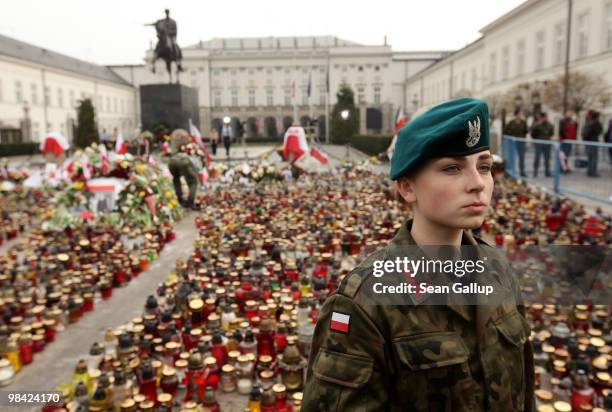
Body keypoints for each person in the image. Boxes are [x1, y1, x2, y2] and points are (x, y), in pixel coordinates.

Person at [302, 98, 534, 411]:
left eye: (484, 166)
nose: (478, 183)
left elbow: (525, 395)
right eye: (452, 168)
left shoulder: (500, 272)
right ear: (408, 187)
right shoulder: (364, 304)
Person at [168, 138, 200, 211]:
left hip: (171, 162)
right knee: (193, 182)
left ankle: (180, 199)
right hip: (183, 162)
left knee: (176, 179)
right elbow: (193, 169)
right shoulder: (189, 156)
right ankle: (190, 202)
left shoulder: (177, 151)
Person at [505, 109, 528, 177]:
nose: (521, 115)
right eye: (520, 114)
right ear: (516, 114)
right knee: (512, 157)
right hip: (513, 142)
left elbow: (526, 131)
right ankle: (511, 171)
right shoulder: (511, 122)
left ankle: (522, 171)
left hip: (521, 142)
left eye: (521, 114)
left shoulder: (524, 122)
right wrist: (512, 136)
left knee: (522, 157)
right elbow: (506, 131)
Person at [530, 112, 554, 177]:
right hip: (538, 144)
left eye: (546, 117)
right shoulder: (536, 125)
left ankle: (547, 172)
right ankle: (535, 172)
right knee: (537, 158)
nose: (545, 118)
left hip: (547, 143)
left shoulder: (550, 125)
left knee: (547, 159)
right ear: (541, 118)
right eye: (544, 117)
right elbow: (532, 134)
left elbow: (551, 133)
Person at [581, 110, 603, 177]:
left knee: (590, 158)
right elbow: (600, 131)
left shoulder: (588, 122)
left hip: (588, 142)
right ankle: (593, 173)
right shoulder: (596, 123)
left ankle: (589, 171)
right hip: (593, 142)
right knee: (594, 158)